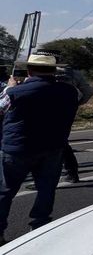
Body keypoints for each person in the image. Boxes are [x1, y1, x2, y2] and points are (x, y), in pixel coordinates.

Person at [0, 54, 80, 244]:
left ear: (29, 70)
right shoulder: (69, 91)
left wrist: (10, 87)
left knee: (5, 191)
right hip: (53, 146)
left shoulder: (15, 92)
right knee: (46, 189)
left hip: (18, 148)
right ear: (54, 71)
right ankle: (39, 225)